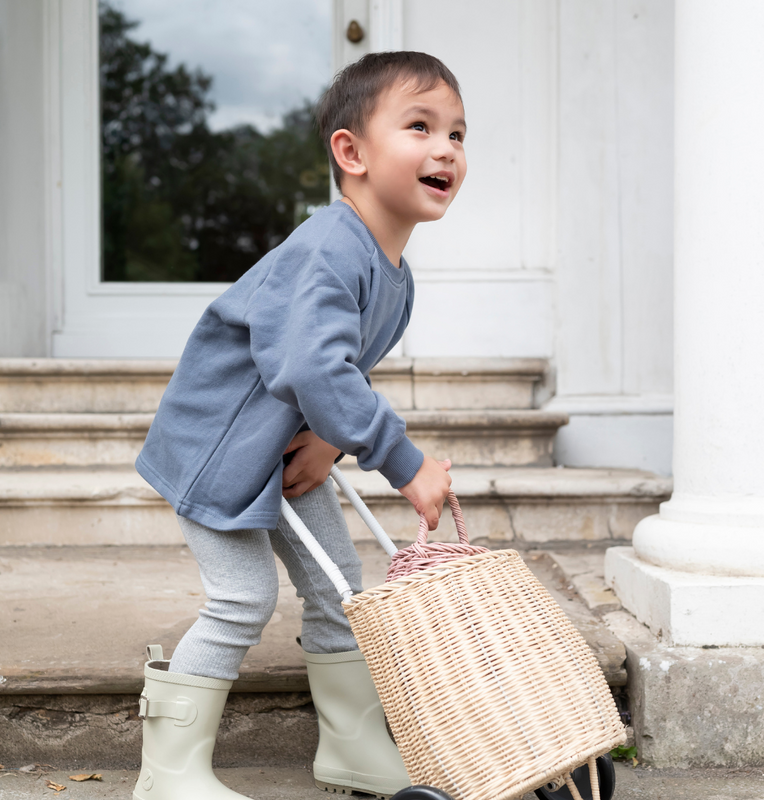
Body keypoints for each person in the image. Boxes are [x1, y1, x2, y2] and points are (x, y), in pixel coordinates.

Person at [131, 50, 468, 800]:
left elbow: (330, 371)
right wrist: (403, 462)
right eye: (421, 126)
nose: (446, 148)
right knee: (242, 597)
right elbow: (313, 370)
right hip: (218, 450)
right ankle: (168, 773)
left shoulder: (394, 275)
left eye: (457, 133)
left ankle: (351, 748)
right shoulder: (326, 248)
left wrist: (329, 436)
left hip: (280, 451)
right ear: (350, 152)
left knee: (340, 587)